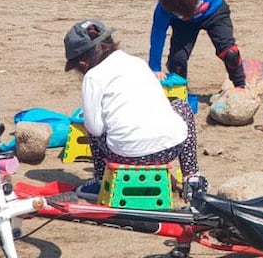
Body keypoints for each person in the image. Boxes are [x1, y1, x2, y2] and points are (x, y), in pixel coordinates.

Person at [63, 19, 201, 202]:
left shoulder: (93, 77)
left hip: (128, 155)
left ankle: (101, 180)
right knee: (181, 106)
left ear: (81, 62)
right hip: (171, 148)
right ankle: (192, 178)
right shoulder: (137, 62)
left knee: (92, 125)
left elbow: (96, 129)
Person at [149, 0, 246, 89]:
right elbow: (158, 35)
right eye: (180, 14)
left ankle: (241, 86)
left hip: (214, 12)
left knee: (229, 53)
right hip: (184, 26)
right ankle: (181, 92)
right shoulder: (163, 10)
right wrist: (155, 68)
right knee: (177, 61)